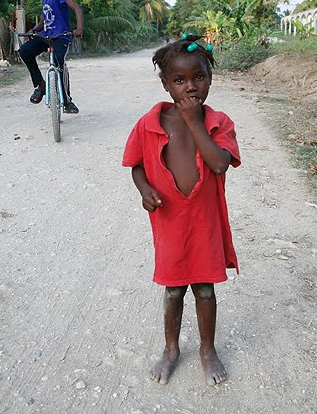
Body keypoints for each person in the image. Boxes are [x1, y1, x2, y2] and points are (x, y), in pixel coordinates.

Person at [122, 34, 241, 386]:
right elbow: (136, 165)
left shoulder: (218, 122)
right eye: (179, 80)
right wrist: (144, 189)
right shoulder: (150, 123)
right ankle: (171, 349)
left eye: (199, 77)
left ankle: (207, 349)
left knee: (205, 289)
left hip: (204, 223)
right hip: (170, 223)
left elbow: (219, 163)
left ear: (210, 79)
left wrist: (193, 121)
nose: (190, 87)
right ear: (165, 85)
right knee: (173, 290)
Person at [19, 0, 83, 113]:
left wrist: (79, 29)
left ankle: (67, 101)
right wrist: (34, 30)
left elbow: (77, 9)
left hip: (60, 37)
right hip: (46, 36)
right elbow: (44, 22)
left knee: (59, 62)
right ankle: (41, 85)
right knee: (25, 51)